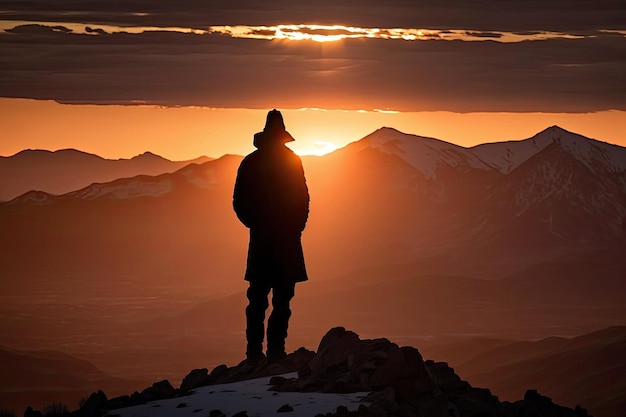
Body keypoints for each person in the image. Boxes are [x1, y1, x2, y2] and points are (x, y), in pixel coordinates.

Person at [233, 109, 310, 364]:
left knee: (259, 300)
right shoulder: (291, 161)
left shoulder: (251, 162)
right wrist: (295, 227)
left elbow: (239, 203)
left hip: (267, 241)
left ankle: (256, 353)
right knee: (279, 300)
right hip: (284, 241)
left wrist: (257, 225)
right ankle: (272, 352)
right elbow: (303, 199)